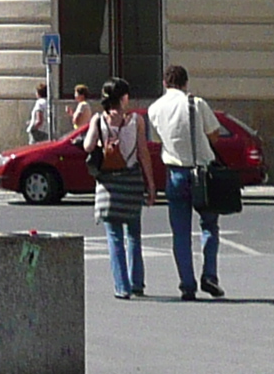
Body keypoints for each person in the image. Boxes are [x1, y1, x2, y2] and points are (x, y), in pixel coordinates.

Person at [147, 64, 226, 299]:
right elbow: (214, 134)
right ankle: (209, 275)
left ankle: (187, 284)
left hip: (175, 173)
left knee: (180, 233)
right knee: (209, 225)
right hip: (201, 172)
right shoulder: (196, 103)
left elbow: (157, 139)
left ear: (164, 83)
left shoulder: (154, 109)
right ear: (185, 83)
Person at [88, 80, 153, 300]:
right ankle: (137, 283)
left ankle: (121, 286)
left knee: (114, 236)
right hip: (132, 181)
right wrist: (150, 185)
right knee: (134, 234)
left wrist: (101, 134)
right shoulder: (136, 121)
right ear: (123, 98)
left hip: (108, 184)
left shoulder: (99, 120)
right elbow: (143, 153)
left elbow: (87, 146)